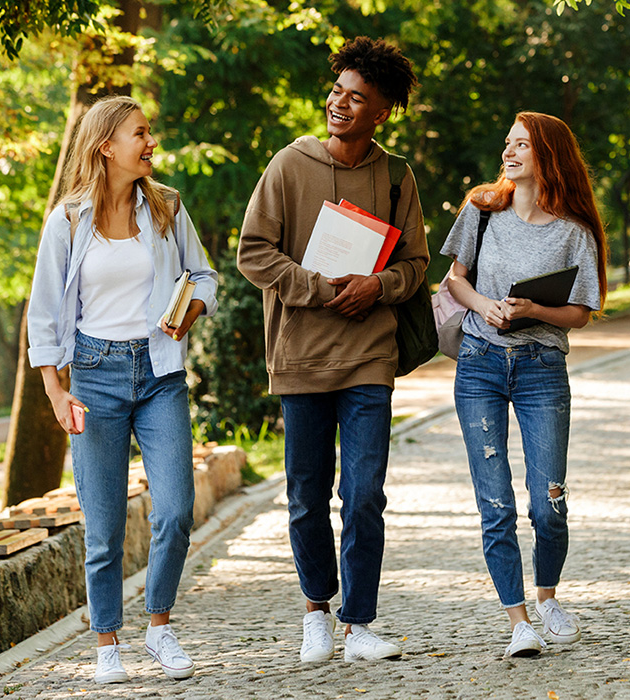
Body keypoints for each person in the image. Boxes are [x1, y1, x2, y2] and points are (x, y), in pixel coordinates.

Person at [236, 37, 426, 664]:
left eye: (357, 98)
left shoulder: (398, 176)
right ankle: (316, 608)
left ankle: (359, 624)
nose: (339, 104)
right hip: (301, 357)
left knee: (365, 492)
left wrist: (379, 284)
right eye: (337, 92)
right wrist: (318, 290)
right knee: (306, 494)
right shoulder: (288, 165)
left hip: (370, 356)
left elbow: (417, 265)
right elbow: (254, 252)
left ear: (382, 111)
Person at [26, 95, 219, 683]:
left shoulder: (166, 207)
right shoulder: (67, 220)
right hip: (93, 376)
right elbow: (43, 313)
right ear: (107, 145)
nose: (151, 142)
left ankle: (159, 627)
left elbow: (205, 273)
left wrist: (191, 312)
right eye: (141, 134)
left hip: (159, 373)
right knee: (104, 523)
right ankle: (106, 640)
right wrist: (56, 392)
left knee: (178, 509)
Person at [441, 112, 608, 659]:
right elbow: (454, 281)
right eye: (507, 143)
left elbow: (581, 312)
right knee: (495, 504)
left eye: (522, 145)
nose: (509, 152)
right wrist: (485, 305)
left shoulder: (574, 231)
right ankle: (518, 620)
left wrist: (534, 308)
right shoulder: (482, 210)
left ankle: (548, 596)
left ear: (548, 156)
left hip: (541, 367)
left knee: (548, 502)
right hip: (480, 362)